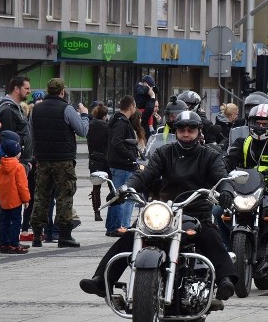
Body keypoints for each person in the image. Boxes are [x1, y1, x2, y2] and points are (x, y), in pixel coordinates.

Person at [79, 110, 237, 303]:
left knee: (211, 236)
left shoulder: (209, 156)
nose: (186, 134)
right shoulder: (165, 152)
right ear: (176, 131)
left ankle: (225, 280)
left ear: (198, 132)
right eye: (181, 130)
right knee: (133, 233)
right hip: (166, 211)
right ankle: (101, 280)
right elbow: (146, 174)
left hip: (196, 212)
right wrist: (125, 188)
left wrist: (226, 191)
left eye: (190, 130)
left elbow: (221, 177)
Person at [223, 103, 268, 269]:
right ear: (250, 123)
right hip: (244, 189)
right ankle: (225, 249)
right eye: (257, 123)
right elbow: (230, 158)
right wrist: (220, 166)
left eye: (265, 123)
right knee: (219, 210)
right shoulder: (242, 142)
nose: (261, 127)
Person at [29, 78, 89, 248]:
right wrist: (84, 115)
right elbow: (82, 131)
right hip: (63, 160)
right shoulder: (67, 108)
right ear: (62, 91)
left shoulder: (36, 109)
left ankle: (36, 236)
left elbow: (32, 131)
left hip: (42, 159)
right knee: (64, 196)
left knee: (41, 196)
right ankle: (64, 236)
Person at [0, 76, 34, 240]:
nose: (29, 91)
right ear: (16, 89)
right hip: (14, 163)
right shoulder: (7, 109)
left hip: (20, 162)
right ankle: (6, 240)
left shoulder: (16, 107)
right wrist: (17, 157)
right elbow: (8, 138)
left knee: (14, 204)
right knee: (10, 205)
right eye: (26, 88)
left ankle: (7, 239)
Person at [105, 95, 139, 237]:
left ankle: (112, 226)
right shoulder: (121, 122)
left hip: (117, 163)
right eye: (135, 106)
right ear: (131, 106)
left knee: (116, 196)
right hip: (123, 165)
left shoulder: (118, 121)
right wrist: (131, 156)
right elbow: (117, 142)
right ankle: (117, 227)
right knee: (122, 196)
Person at [0, 131, 30, 254]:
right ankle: (14, 244)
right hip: (15, 200)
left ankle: (3, 244)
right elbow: (22, 185)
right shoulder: (18, 167)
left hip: (5, 199)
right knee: (15, 222)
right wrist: (26, 199)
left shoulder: (1, 166)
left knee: (4, 222)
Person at [86, 103, 110, 222]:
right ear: (105, 115)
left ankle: (96, 211)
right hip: (106, 157)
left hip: (94, 158)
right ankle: (112, 209)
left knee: (96, 187)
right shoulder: (107, 126)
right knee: (112, 185)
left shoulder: (90, 125)